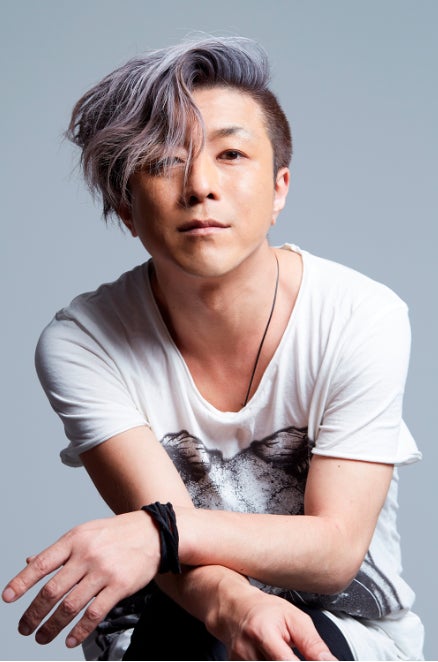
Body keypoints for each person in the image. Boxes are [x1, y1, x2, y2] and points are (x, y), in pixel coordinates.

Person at [2, 35, 425, 661]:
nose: (200, 185)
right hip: (175, 617)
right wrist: (234, 603)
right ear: (125, 207)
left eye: (231, 154)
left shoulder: (360, 315)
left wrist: (159, 532)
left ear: (279, 189)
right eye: (163, 162)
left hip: (346, 626)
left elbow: (335, 550)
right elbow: (172, 549)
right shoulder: (84, 342)